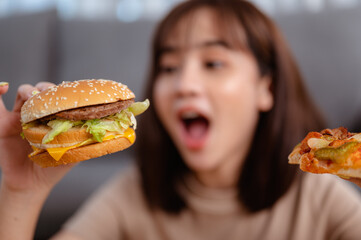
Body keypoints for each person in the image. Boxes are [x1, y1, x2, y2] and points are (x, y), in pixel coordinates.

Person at [1, 0, 361, 239]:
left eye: (213, 63)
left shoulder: (320, 196)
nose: (183, 85)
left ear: (266, 88)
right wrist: (22, 191)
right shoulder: (134, 194)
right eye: (169, 67)